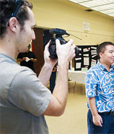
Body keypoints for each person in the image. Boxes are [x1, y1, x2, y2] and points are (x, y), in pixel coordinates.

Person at [0, 0, 76, 134]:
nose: (34, 36)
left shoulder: (7, 72)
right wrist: (63, 62)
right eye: (32, 28)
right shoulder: (17, 76)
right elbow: (57, 107)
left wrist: (48, 65)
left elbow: (30, 94)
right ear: (14, 25)